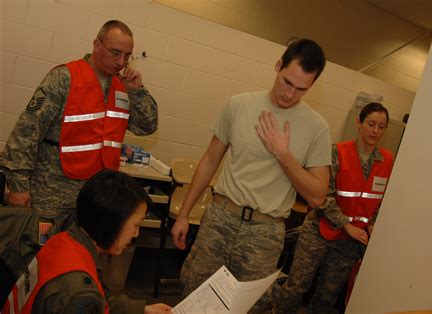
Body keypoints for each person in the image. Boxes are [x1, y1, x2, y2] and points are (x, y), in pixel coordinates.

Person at [171, 38, 332, 312]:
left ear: (312, 86)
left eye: (301, 89)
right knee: (195, 297)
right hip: (220, 219)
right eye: (287, 82)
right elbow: (210, 161)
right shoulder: (239, 105)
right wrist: (184, 214)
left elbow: (317, 196)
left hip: (265, 233)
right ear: (278, 66)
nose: (290, 94)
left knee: (248, 307)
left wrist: (284, 155)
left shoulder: (317, 128)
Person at [0, 20, 158, 233]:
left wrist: (137, 91)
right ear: (97, 45)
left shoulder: (123, 88)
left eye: (128, 56)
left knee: (73, 258)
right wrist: (18, 186)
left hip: (94, 199)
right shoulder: (64, 77)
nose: (121, 62)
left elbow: (147, 126)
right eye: (115, 53)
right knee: (38, 253)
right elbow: (26, 132)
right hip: (50, 194)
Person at [273, 102, 394, 314]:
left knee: (327, 296)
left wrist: (372, 224)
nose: (376, 130)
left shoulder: (387, 160)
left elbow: (381, 200)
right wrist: (346, 225)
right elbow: (322, 196)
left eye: (381, 126)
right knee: (296, 287)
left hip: (349, 242)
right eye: (371, 124)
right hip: (319, 231)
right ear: (359, 123)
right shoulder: (338, 152)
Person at [2, 169, 172, 314]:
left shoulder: (64, 239)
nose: (136, 234)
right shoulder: (80, 293)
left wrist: (142, 309)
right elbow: (84, 298)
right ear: (111, 223)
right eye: (135, 225)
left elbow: (97, 299)